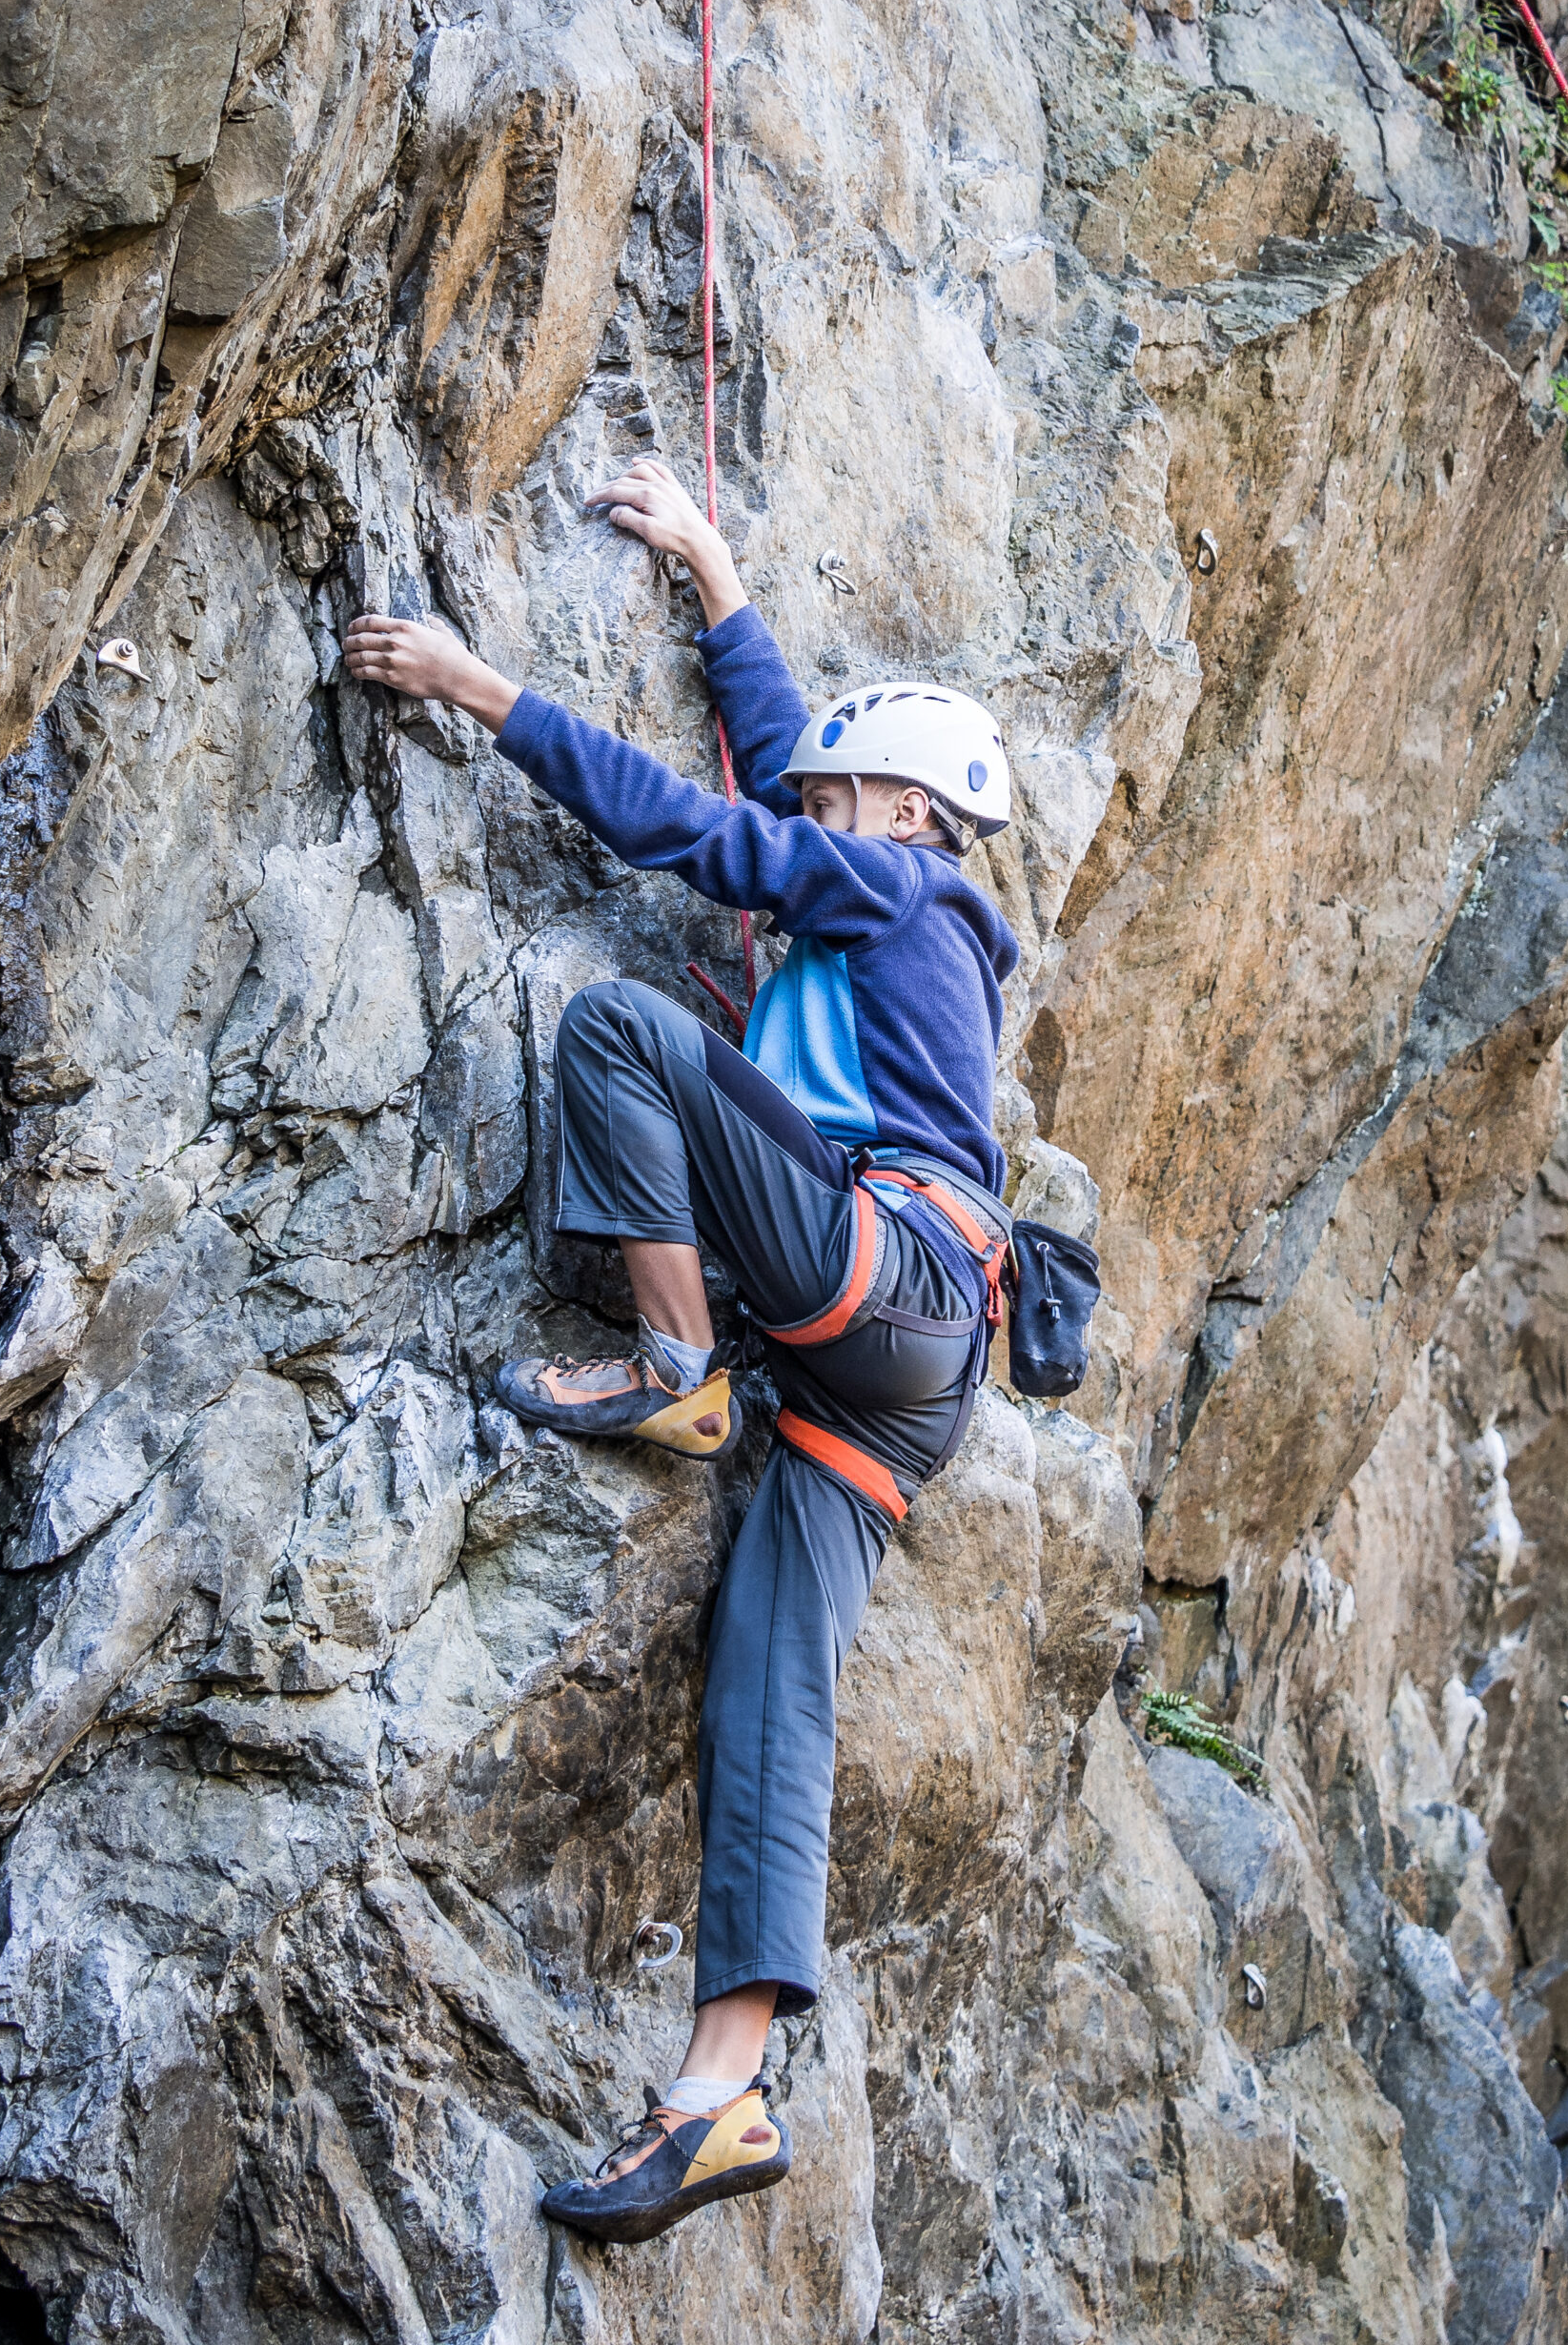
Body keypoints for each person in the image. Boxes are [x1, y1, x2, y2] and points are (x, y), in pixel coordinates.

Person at [343, 459, 1018, 2246]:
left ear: (901, 808)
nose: (819, 796)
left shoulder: (898, 889)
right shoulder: (900, 891)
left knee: (630, 1035)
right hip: (912, 1373)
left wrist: (484, 688)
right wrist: (718, 582)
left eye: (844, 790)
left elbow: (697, 828)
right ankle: (719, 2098)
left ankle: (675, 1364)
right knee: (768, 1698)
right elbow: (786, 759)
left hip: (878, 1275)